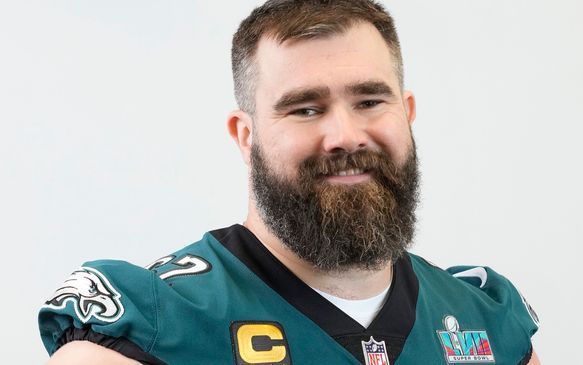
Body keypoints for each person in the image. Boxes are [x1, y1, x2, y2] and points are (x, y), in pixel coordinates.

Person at [39, 1, 541, 364]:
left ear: (406, 115)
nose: (345, 136)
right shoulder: (154, 326)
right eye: (306, 109)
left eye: (370, 101)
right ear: (246, 135)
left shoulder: (484, 319)